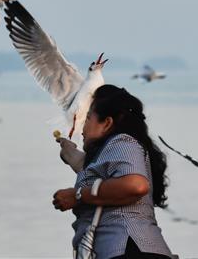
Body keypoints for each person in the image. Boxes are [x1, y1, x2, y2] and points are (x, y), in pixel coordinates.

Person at [52, 85, 173, 259]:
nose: (82, 129)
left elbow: (135, 186)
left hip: (128, 250)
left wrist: (77, 195)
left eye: (87, 119)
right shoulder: (115, 150)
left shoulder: (122, 142)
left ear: (107, 123)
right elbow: (101, 177)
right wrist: (73, 155)